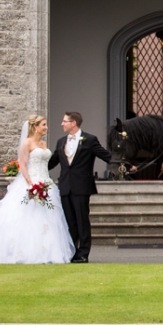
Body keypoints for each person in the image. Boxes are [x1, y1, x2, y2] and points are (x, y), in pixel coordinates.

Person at [0, 115, 76, 264]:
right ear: (35, 127)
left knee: (50, 218)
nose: (46, 127)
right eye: (44, 125)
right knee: (28, 217)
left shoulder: (43, 144)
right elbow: (23, 165)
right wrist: (31, 184)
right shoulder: (27, 144)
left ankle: (47, 252)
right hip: (32, 182)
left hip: (46, 183)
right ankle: (22, 252)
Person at [48, 111, 113, 263]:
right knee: (69, 221)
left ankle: (83, 253)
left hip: (82, 187)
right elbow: (52, 162)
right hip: (65, 186)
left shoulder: (90, 140)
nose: (62, 124)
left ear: (73, 123)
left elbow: (105, 155)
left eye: (65, 121)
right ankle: (72, 251)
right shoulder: (60, 142)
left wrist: (125, 165)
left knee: (82, 220)